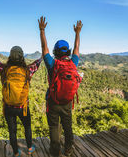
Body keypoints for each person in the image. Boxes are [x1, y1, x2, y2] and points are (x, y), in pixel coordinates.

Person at [38, 16, 83, 157]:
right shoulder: (73, 63)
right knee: (67, 125)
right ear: (67, 51)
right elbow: (77, 48)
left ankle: (55, 150)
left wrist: (42, 30)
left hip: (53, 101)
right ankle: (68, 149)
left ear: (56, 52)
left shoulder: (52, 64)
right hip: (67, 102)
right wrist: (77, 33)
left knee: (54, 127)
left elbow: (44, 48)